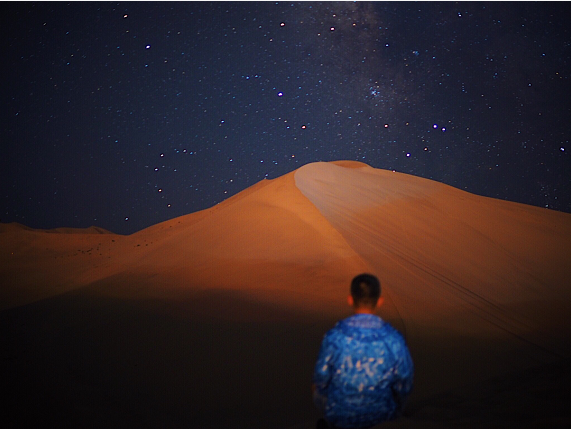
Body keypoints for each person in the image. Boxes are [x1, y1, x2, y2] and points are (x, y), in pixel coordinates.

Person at [312, 273, 414, 429]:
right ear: (380, 301)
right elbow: (405, 382)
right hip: (383, 416)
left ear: (350, 299)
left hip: (340, 416)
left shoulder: (334, 336)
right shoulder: (394, 339)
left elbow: (320, 379)